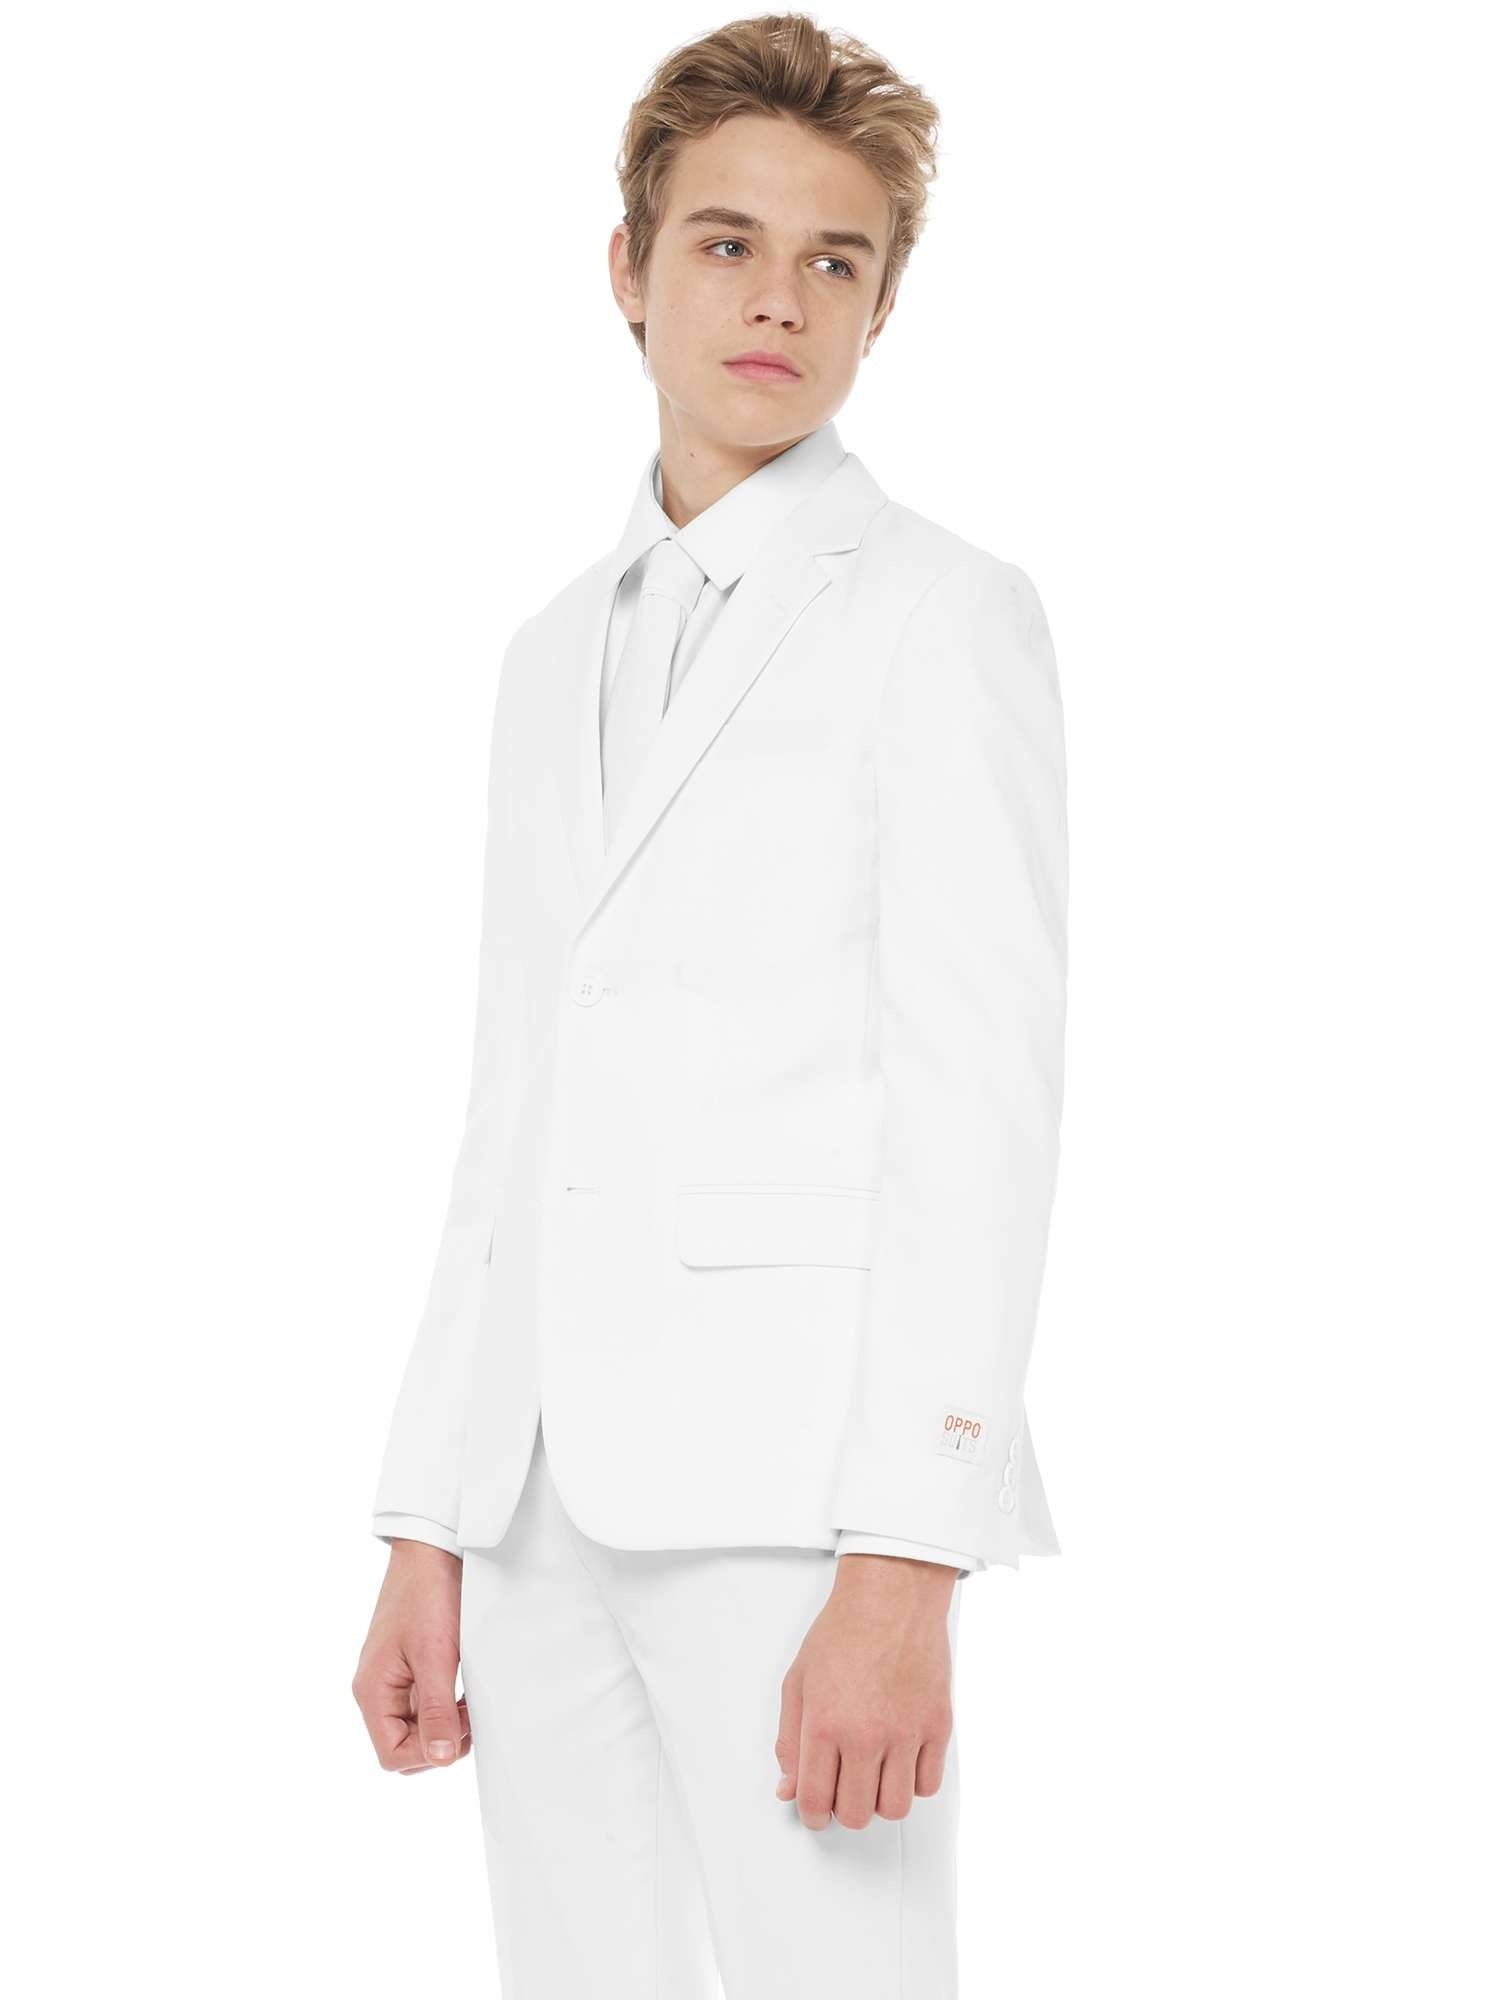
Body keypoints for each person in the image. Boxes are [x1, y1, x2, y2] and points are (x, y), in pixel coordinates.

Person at [352, 14, 1068, 1995]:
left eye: (837, 261)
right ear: (630, 268)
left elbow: (980, 1109)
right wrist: (429, 1512)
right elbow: (516, 1102)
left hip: (797, 1508)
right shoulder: (544, 653)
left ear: (884, 306)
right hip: (534, 1511)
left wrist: (908, 1559)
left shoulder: (944, 614)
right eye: (727, 244)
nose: (779, 300)